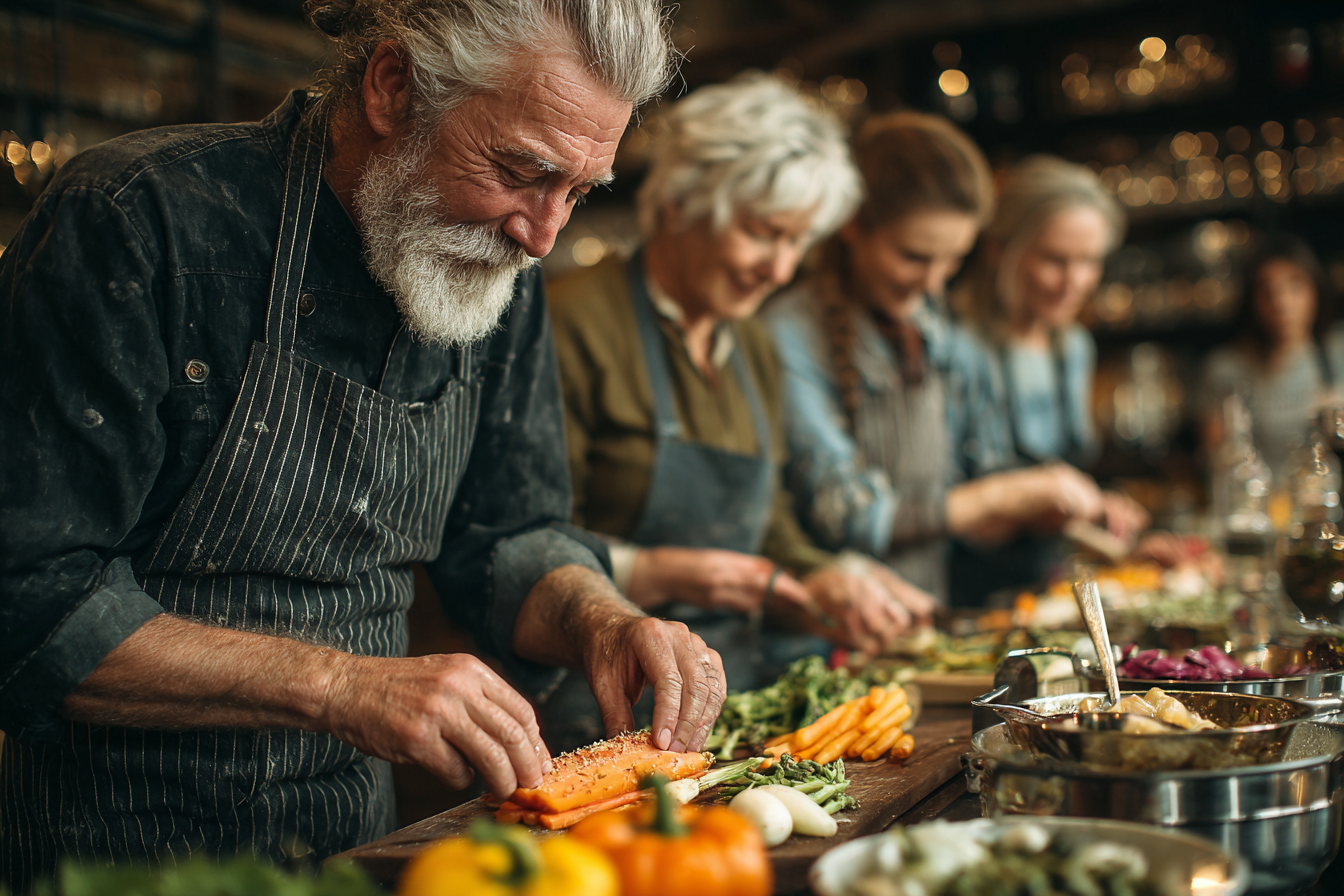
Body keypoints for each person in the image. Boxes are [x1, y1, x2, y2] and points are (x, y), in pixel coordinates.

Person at [0, 1, 727, 886]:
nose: (542, 236)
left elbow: (507, 537)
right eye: (519, 171)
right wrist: (343, 687)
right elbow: (28, 597)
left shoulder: (502, 270)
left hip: (352, 842)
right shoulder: (138, 220)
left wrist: (599, 617)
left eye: (577, 192)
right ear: (392, 86)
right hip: (113, 852)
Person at [545, 76, 932, 750]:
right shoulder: (571, 324)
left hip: (728, 694)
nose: (781, 270)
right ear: (680, 204)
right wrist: (659, 570)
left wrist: (830, 573)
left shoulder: (751, 344)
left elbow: (769, 524)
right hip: (596, 707)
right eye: (762, 233)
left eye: (798, 242)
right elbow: (528, 542)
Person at [765, 113, 1108, 605]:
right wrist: (1005, 495)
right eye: (914, 257)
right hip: (828, 622)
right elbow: (846, 514)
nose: (932, 284)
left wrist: (1053, 507)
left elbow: (972, 478)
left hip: (929, 616)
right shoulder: (789, 333)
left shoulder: (932, 324)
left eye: (953, 260)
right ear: (852, 225)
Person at [948, 155, 1147, 603]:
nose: (1074, 281)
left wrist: (1101, 514)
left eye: (1089, 261)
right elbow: (935, 504)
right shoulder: (953, 347)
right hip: (966, 592)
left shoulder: (1072, 348)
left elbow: (1066, 485)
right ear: (999, 250)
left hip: (1044, 590)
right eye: (1055, 260)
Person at [1200, 233, 1343, 476]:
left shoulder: (1337, 352)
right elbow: (1216, 460)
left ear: (1315, 288)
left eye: (1294, 285)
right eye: (1267, 290)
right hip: (1261, 495)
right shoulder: (1226, 368)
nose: (1281, 301)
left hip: (1325, 492)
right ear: (1252, 301)